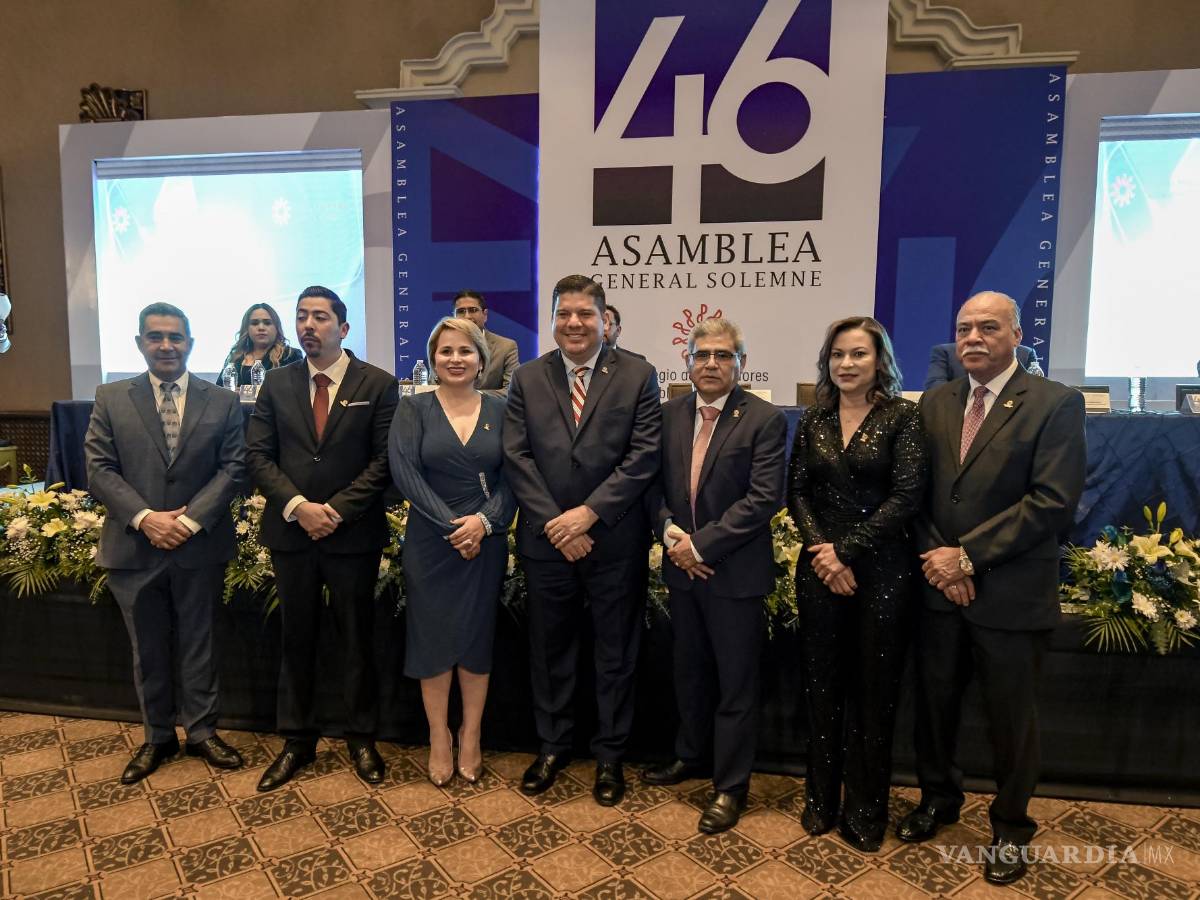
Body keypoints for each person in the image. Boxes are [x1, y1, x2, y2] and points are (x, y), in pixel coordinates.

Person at [898, 291, 1085, 885]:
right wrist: (941, 563)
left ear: (1017, 334)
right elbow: (916, 493)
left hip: (1009, 593)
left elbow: (1052, 502)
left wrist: (968, 558)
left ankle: (1010, 828)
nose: (973, 338)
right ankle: (938, 800)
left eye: (987, 327)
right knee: (935, 708)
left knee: (1011, 721)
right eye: (964, 329)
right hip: (938, 588)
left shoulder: (1055, 403)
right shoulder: (935, 401)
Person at [503, 274, 661, 806]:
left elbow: (643, 456)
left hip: (613, 540)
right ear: (551, 320)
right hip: (547, 541)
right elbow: (517, 456)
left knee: (616, 652)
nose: (574, 323)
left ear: (603, 319)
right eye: (564, 314)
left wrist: (588, 515)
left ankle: (610, 755)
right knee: (550, 650)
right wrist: (558, 523)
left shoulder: (638, 374)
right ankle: (553, 746)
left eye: (584, 314)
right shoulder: (526, 377)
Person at [84, 302, 246, 783]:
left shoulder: (222, 400)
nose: (166, 345)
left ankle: (202, 732)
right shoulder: (111, 397)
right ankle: (157, 737)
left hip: (200, 546)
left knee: (201, 643)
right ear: (140, 343)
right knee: (148, 649)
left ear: (190, 343)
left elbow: (234, 468)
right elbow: (99, 468)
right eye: (155, 336)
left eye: (175, 337)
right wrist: (146, 519)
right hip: (134, 548)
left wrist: (189, 521)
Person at [246, 285, 399, 791]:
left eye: (320, 317)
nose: (308, 325)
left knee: (357, 638)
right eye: (301, 317)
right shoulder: (277, 383)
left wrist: (335, 511)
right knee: (297, 638)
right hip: (292, 533)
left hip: (352, 534)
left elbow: (384, 461)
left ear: (344, 328)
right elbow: (258, 456)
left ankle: (362, 738)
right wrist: (298, 507)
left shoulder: (377, 383)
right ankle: (297, 740)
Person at [786, 316, 928, 852]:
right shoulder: (814, 418)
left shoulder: (903, 416)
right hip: (820, 569)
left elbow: (907, 497)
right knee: (821, 689)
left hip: (882, 571)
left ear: (880, 360)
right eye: (838, 354)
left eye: (859, 354)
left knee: (874, 693)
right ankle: (820, 799)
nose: (846, 364)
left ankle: (866, 808)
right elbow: (797, 492)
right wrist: (824, 553)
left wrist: (845, 551)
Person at [642, 318, 786, 834]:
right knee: (690, 673)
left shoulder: (765, 419)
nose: (710, 364)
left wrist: (699, 546)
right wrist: (670, 533)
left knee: (735, 684)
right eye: (701, 355)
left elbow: (762, 499)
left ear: (741, 363)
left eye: (723, 355)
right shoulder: (668, 415)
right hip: (684, 574)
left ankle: (730, 785)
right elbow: (653, 489)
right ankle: (691, 755)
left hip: (734, 576)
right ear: (686, 362)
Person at [388, 317, 516, 785]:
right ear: (432, 358)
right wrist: (453, 527)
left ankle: (471, 733)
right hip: (431, 543)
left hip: (485, 541)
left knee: (476, 637)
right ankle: (438, 735)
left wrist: (483, 523)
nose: (455, 359)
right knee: (433, 639)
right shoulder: (414, 408)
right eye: (446, 351)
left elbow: (515, 477)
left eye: (465, 351)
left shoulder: (502, 409)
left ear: (482, 359)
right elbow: (405, 473)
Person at [219, 303, 304, 386]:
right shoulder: (235, 356)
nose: (261, 328)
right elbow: (219, 389)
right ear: (246, 328)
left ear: (276, 328)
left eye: (267, 323)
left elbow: (299, 390)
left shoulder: (290, 355)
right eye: (254, 323)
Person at [453, 290, 519, 394]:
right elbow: (433, 386)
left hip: (489, 404)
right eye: (461, 311)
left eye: (473, 310)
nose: (467, 316)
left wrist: (472, 397)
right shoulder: (444, 347)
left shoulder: (506, 347)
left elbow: (511, 391)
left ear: (485, 315)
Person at [924, 340, 1040, 390]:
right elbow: (935, 387)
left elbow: (1033, 391)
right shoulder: (946, 352)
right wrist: (975, 396)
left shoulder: (1025, 354)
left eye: (989, 327)